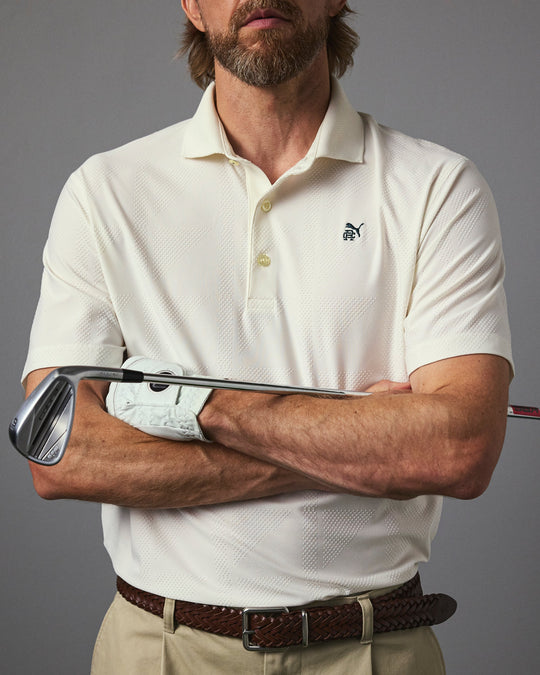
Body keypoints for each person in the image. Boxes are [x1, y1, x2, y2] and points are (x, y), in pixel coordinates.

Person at [22, 1, 513, 673]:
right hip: (159, 650)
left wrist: (197, 406)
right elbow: (59, 452)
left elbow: (458, 448)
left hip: (372, 650)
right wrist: (359, 448)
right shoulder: (103, 192)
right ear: (192, 5)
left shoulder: (438, 187)